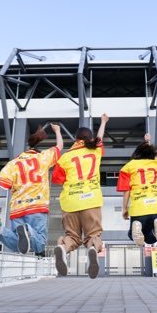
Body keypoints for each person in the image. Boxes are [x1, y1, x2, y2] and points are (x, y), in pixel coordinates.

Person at [0, 123, 63, 255]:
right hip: (37, 206)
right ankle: (27, 230)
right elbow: (59, 147)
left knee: (18, 246)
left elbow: (3, 184)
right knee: (40, 244)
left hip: (17, 209)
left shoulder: (13, 164)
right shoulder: (42, 158)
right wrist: (58, 131)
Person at [52, 114, 109, 279]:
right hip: (91, 199)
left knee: (72, 236)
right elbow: (100, 137)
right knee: (93, 235)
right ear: (89, 138)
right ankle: (92, 249)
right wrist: (103, 122)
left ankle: (63, 248)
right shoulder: (96, 150)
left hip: (70, 202)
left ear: (76, 139)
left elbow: (57, 180)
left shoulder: (65, 158)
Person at [116, 133, 157, 246]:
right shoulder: (155, 163)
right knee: (151, 239)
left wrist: (124, 208)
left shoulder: (128, 167)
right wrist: (148, 141)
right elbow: (152, 155)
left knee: (132, 234)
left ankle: (139, 224)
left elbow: (126, 191)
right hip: (156, 204)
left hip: (139, 206)